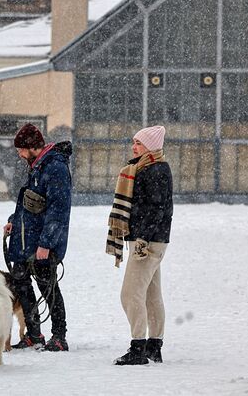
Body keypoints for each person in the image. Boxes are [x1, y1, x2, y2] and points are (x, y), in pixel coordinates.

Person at [107, 125, 173, 365]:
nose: (134, 147)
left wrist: (143, 239)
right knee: (151, 295)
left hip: (147, 242)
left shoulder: (154, 170)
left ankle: (138, 348)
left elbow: (156, 209)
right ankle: (154, 346)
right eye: (134, 142)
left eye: (139, 143)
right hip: (152, 239)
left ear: (151, 147)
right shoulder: (147, 168)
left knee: (130, 294)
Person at [3, 123, 72, 351]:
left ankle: (59, 336)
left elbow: (58, 210)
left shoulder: (55, 168)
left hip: (41, 243)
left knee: (48, 288)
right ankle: (34, 334)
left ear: (33, 147)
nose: (19, 154)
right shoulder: (37, 166)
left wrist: (46, 244)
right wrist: (14, 220)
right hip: (24, 239)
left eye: (21, 149)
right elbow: (28, 200)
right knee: (22, 286)